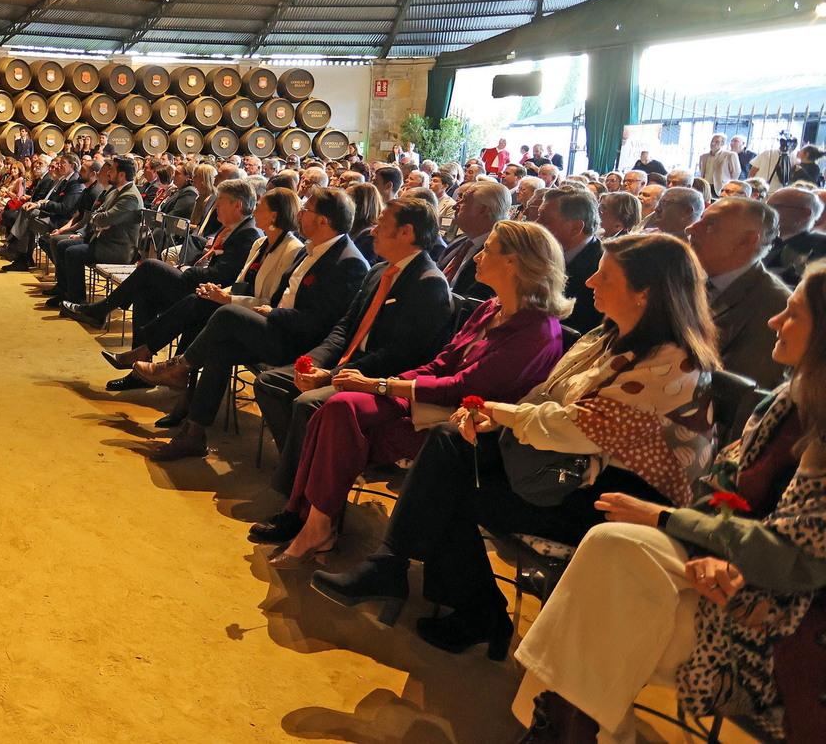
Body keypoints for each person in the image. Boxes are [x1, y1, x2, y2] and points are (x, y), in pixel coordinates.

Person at [312, 234, 720, 660]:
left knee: (450, 489)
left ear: (645, 293)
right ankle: (403, 571)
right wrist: (491, 417)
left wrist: (497, 412)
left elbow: (576, 427)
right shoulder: (607, 335)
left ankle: (464, 602)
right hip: (571, 466)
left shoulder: (672, 362)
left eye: (606, 275)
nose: (591, 280)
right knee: (451, 444)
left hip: (621, 502)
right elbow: (546, 395)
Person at [508, 265, 826, 744]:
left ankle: (562, 724)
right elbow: (722, 487)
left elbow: (796, 563)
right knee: (612, 549)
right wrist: (708, 553)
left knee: (612, 578)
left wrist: (668, 520)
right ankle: (570, 727)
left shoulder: (675, 360)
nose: (774, 321)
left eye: (794, 313)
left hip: (779, 616)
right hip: (726, 569)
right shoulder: (786, 399)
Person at [256, 221, 570, 563]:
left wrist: (381, 385)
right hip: (429, 403)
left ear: (514, 262)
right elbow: (440, 365)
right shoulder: (490, 308)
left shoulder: (537, 331)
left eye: (488, 249)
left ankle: (313, 524)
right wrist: (384, 388)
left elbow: (463, 389)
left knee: (339, 426)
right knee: (338, 407)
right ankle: (316, 524)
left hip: (464, 431)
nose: (477, 255)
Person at [229, 198, 454, 476]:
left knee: (306, 403)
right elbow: (345, 328)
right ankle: (305, 468)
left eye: (382, 224)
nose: (372, 231)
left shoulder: (427, 282)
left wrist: (332, 374)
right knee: (269, 383)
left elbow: (399, 354)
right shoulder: (379, 271)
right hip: (346, 366)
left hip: (380, 381)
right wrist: (311, 363)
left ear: (406, 232)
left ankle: (301, 486)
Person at [100, 187, 301, 391]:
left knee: (176, 287)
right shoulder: (260, 242)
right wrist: (218, 292)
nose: (255, 211)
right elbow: (240, 282)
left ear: (274, 215)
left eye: (260, 207)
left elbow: (270, 302)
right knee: (151, 295)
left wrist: (226, 298)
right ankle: (152, 370)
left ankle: (149, 356)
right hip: (230, 304)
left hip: (255, 318)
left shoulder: (290, 250)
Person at [61, 179, 261, 332]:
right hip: (200, 283)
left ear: (238, 205)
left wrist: (187, 270)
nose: (216, 206)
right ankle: (139, 363)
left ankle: (100, 310)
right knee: (143, 294)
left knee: (150, 266)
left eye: (221, 201)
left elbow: (221, 276)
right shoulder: (234, 228)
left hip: (207, 292)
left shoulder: (247, 234)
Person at [688, 196, 788, 386]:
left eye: (710, 225)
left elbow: (742, 393)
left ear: (746, 241)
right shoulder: (686, 278)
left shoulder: (774, 306)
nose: (691, 229)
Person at [41, 156, 142, 307]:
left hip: (115, 248)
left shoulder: (130, 196)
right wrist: (99, 221)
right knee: (62, 245)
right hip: (102, 239)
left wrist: (99, 221)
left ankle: (76, 299)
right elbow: (97, 214)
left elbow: (103, 218)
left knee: (73, 252)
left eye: (112, 170)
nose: (108, 173)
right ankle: (64, 291)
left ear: (122, 175)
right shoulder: (116, 191)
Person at [536, 189, 604, 332]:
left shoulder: (601, 267)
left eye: (545, 220)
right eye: (538, 216)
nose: (536, 224)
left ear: (575, 228)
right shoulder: (538, 253)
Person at [437, 180, 509, 299]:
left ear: (483, 210)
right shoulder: (459, 242)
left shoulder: (500, 255)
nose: (455, 206)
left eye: (464, 201)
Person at [764, 187, 826, 285]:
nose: (767, 211)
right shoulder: (764, 237)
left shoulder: (820, 244)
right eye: (766, 205)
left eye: (775, 207)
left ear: (805, 214)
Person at [348, 183, 382, 263]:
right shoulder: (353, 227)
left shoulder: (370, 235)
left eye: (348, 199)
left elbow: (355, 263)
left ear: (359, 204)